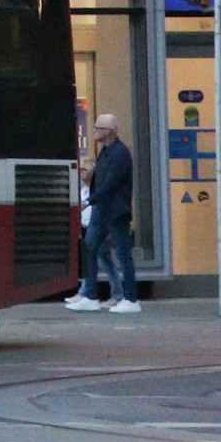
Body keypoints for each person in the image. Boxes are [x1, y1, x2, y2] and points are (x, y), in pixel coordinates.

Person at [67, 113, 139, 313]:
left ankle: (131, 299)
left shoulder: (120, 153)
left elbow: (110, 182)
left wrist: (88, 201)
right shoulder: (106, 152)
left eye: (97, 128)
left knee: (124, 255)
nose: (94, 132)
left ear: (107, 131)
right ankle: (90, 295)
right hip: (101, 210)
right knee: (89, 249)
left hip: (115, 211)